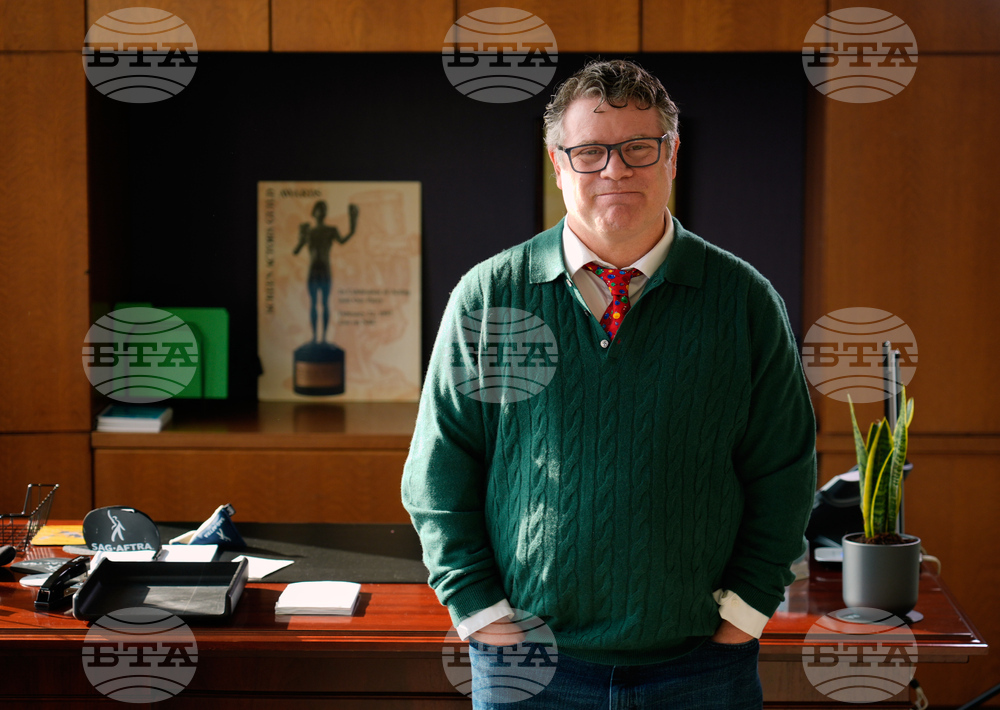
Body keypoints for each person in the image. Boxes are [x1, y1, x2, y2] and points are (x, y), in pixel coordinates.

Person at [401, 59, 816, 708]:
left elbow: (783, 472)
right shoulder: (490, 297)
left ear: (672, 156)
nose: (615, 170)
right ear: (557, 162)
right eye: (590, 151)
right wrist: (483, 618)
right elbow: (439, 471)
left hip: (701, 671)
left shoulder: (744, 302)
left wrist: (744, 618)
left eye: (638, 149)